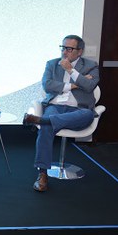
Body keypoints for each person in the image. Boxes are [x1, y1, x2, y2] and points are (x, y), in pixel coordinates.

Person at [24, 35, 99, 192]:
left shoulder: (91, 65)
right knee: (47, 126)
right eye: (63, 47)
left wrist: (70, 70)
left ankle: (44, 121)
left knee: (88, 115)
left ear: (79, 52)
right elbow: (48, 85)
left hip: (79, 109)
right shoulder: (52, 64)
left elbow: (89, 86)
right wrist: (74, 85)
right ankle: (42, 174)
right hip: (56, 106)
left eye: (69, 49)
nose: (65, 52)